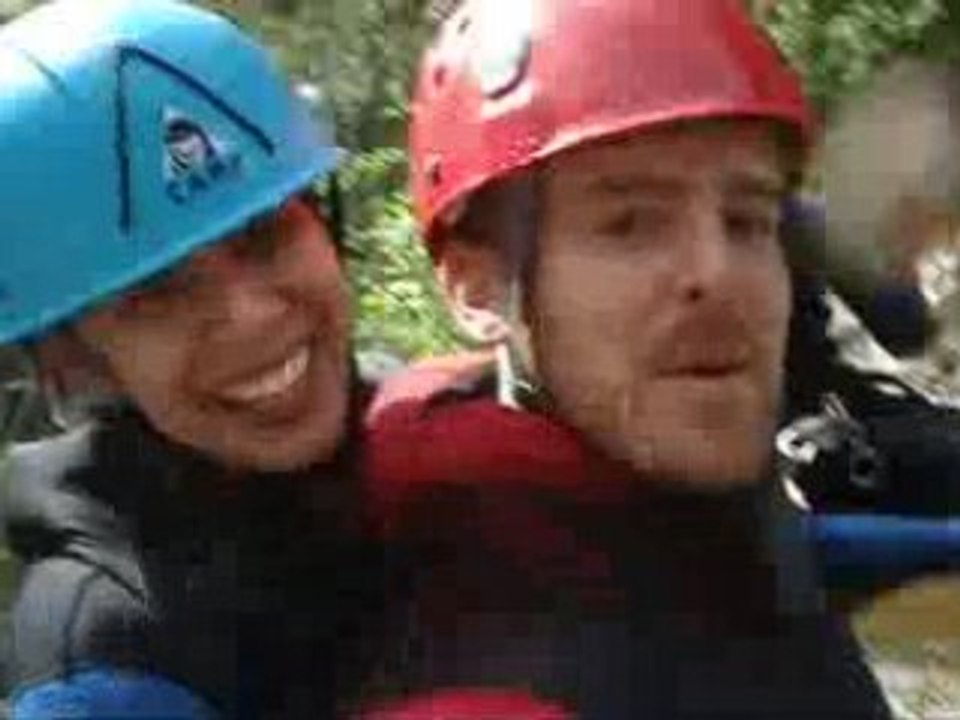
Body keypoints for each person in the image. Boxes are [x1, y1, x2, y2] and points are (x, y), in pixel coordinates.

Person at [353, 0, 892, 717]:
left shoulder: (657, 504)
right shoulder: (483, 682)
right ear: (478, 287)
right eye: (630, 224)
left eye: (747, 220)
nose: (718, 271)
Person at [0, 1, 382, 717]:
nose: (254, 315)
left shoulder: (428, 443)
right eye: (155, 293)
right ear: (72, 357)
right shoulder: (108, 674)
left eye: (264, 235)